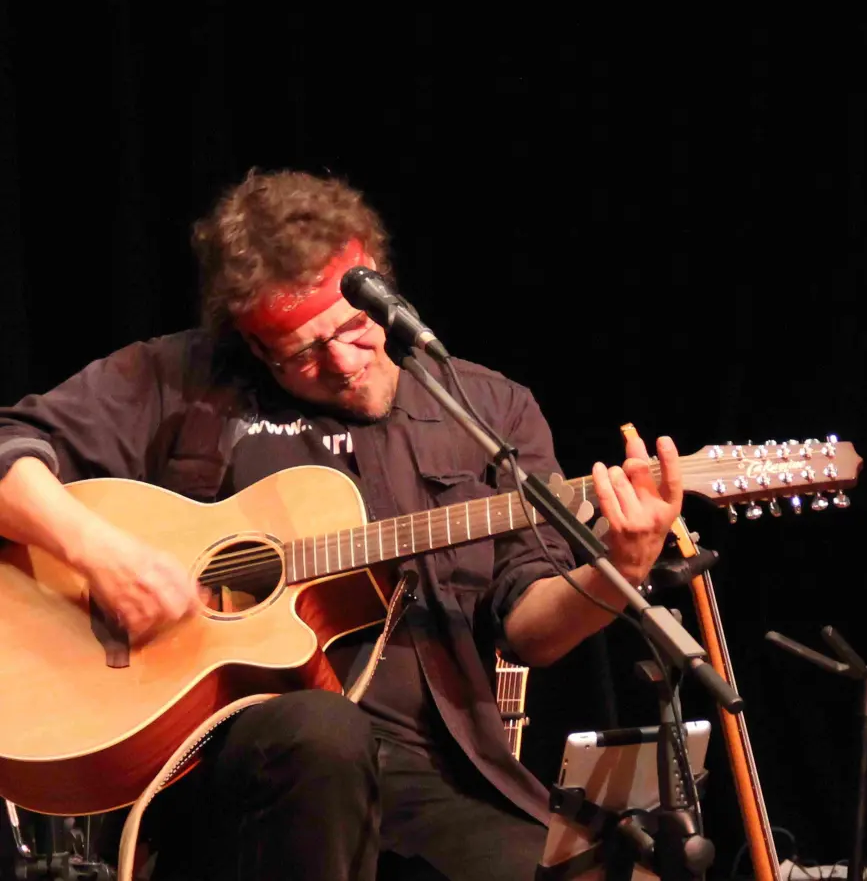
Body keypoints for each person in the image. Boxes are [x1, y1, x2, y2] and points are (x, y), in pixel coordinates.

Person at [0, 168, 683, 880]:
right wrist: (101, 553)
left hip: (435, 777)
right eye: (302, 353)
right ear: (251, 340)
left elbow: (530, 629)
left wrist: (617, 569)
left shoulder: (488, 413)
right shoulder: (178, 380)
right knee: (323, 731)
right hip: (232, 775)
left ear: (381, 289)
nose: (345, 365)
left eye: (356, 329)